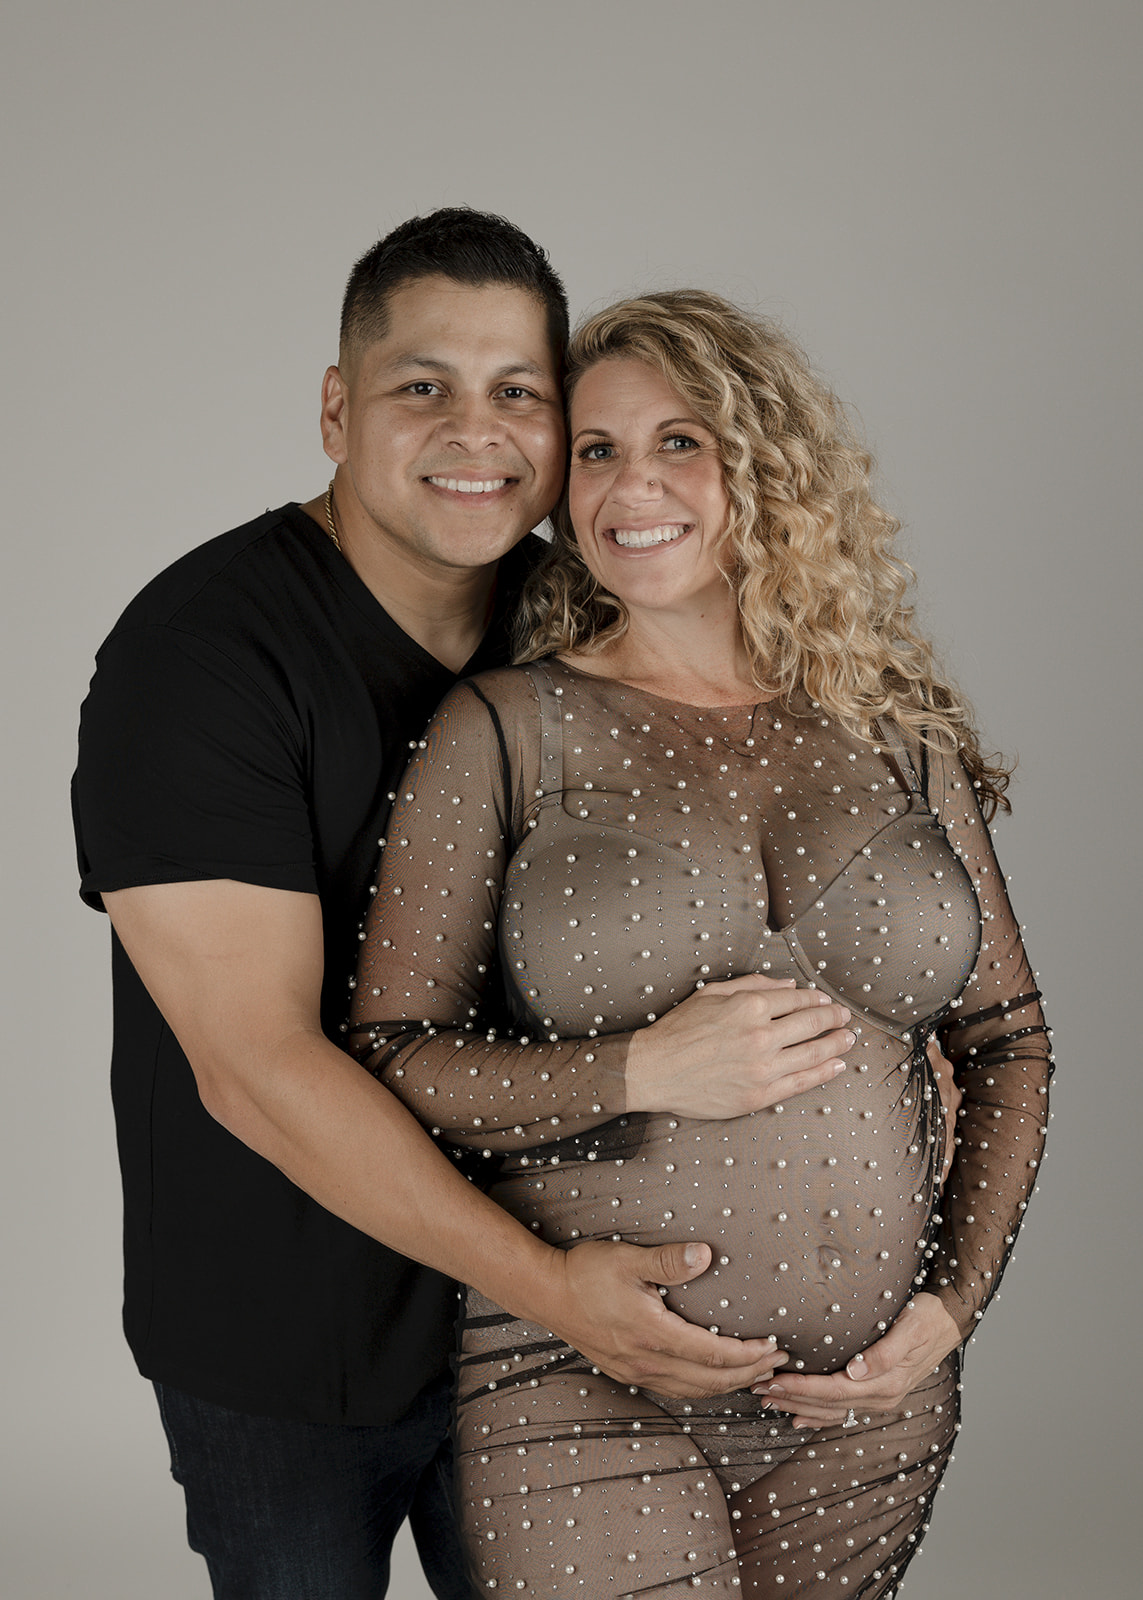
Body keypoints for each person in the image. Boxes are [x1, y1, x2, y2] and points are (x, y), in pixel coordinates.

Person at [72, 220, 857, 1598]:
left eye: (519, 392)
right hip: (288, 1342)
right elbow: (253, 1069)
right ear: (337, 407)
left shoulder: (580, 623)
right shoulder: (201, 658)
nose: (473, 431)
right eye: (420, 386)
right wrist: (565, 1295)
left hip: (554, 1325)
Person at [349, 289, 1052, 1596]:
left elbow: (1008, 1046)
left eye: (681, 441)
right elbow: (389, 1055)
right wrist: (635, 1073)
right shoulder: (502, 730)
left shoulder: (899, 730)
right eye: (598, 452)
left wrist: (952, 1306)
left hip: (862, 1411)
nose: (632, 486)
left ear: (766, 464)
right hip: (578, 1377)